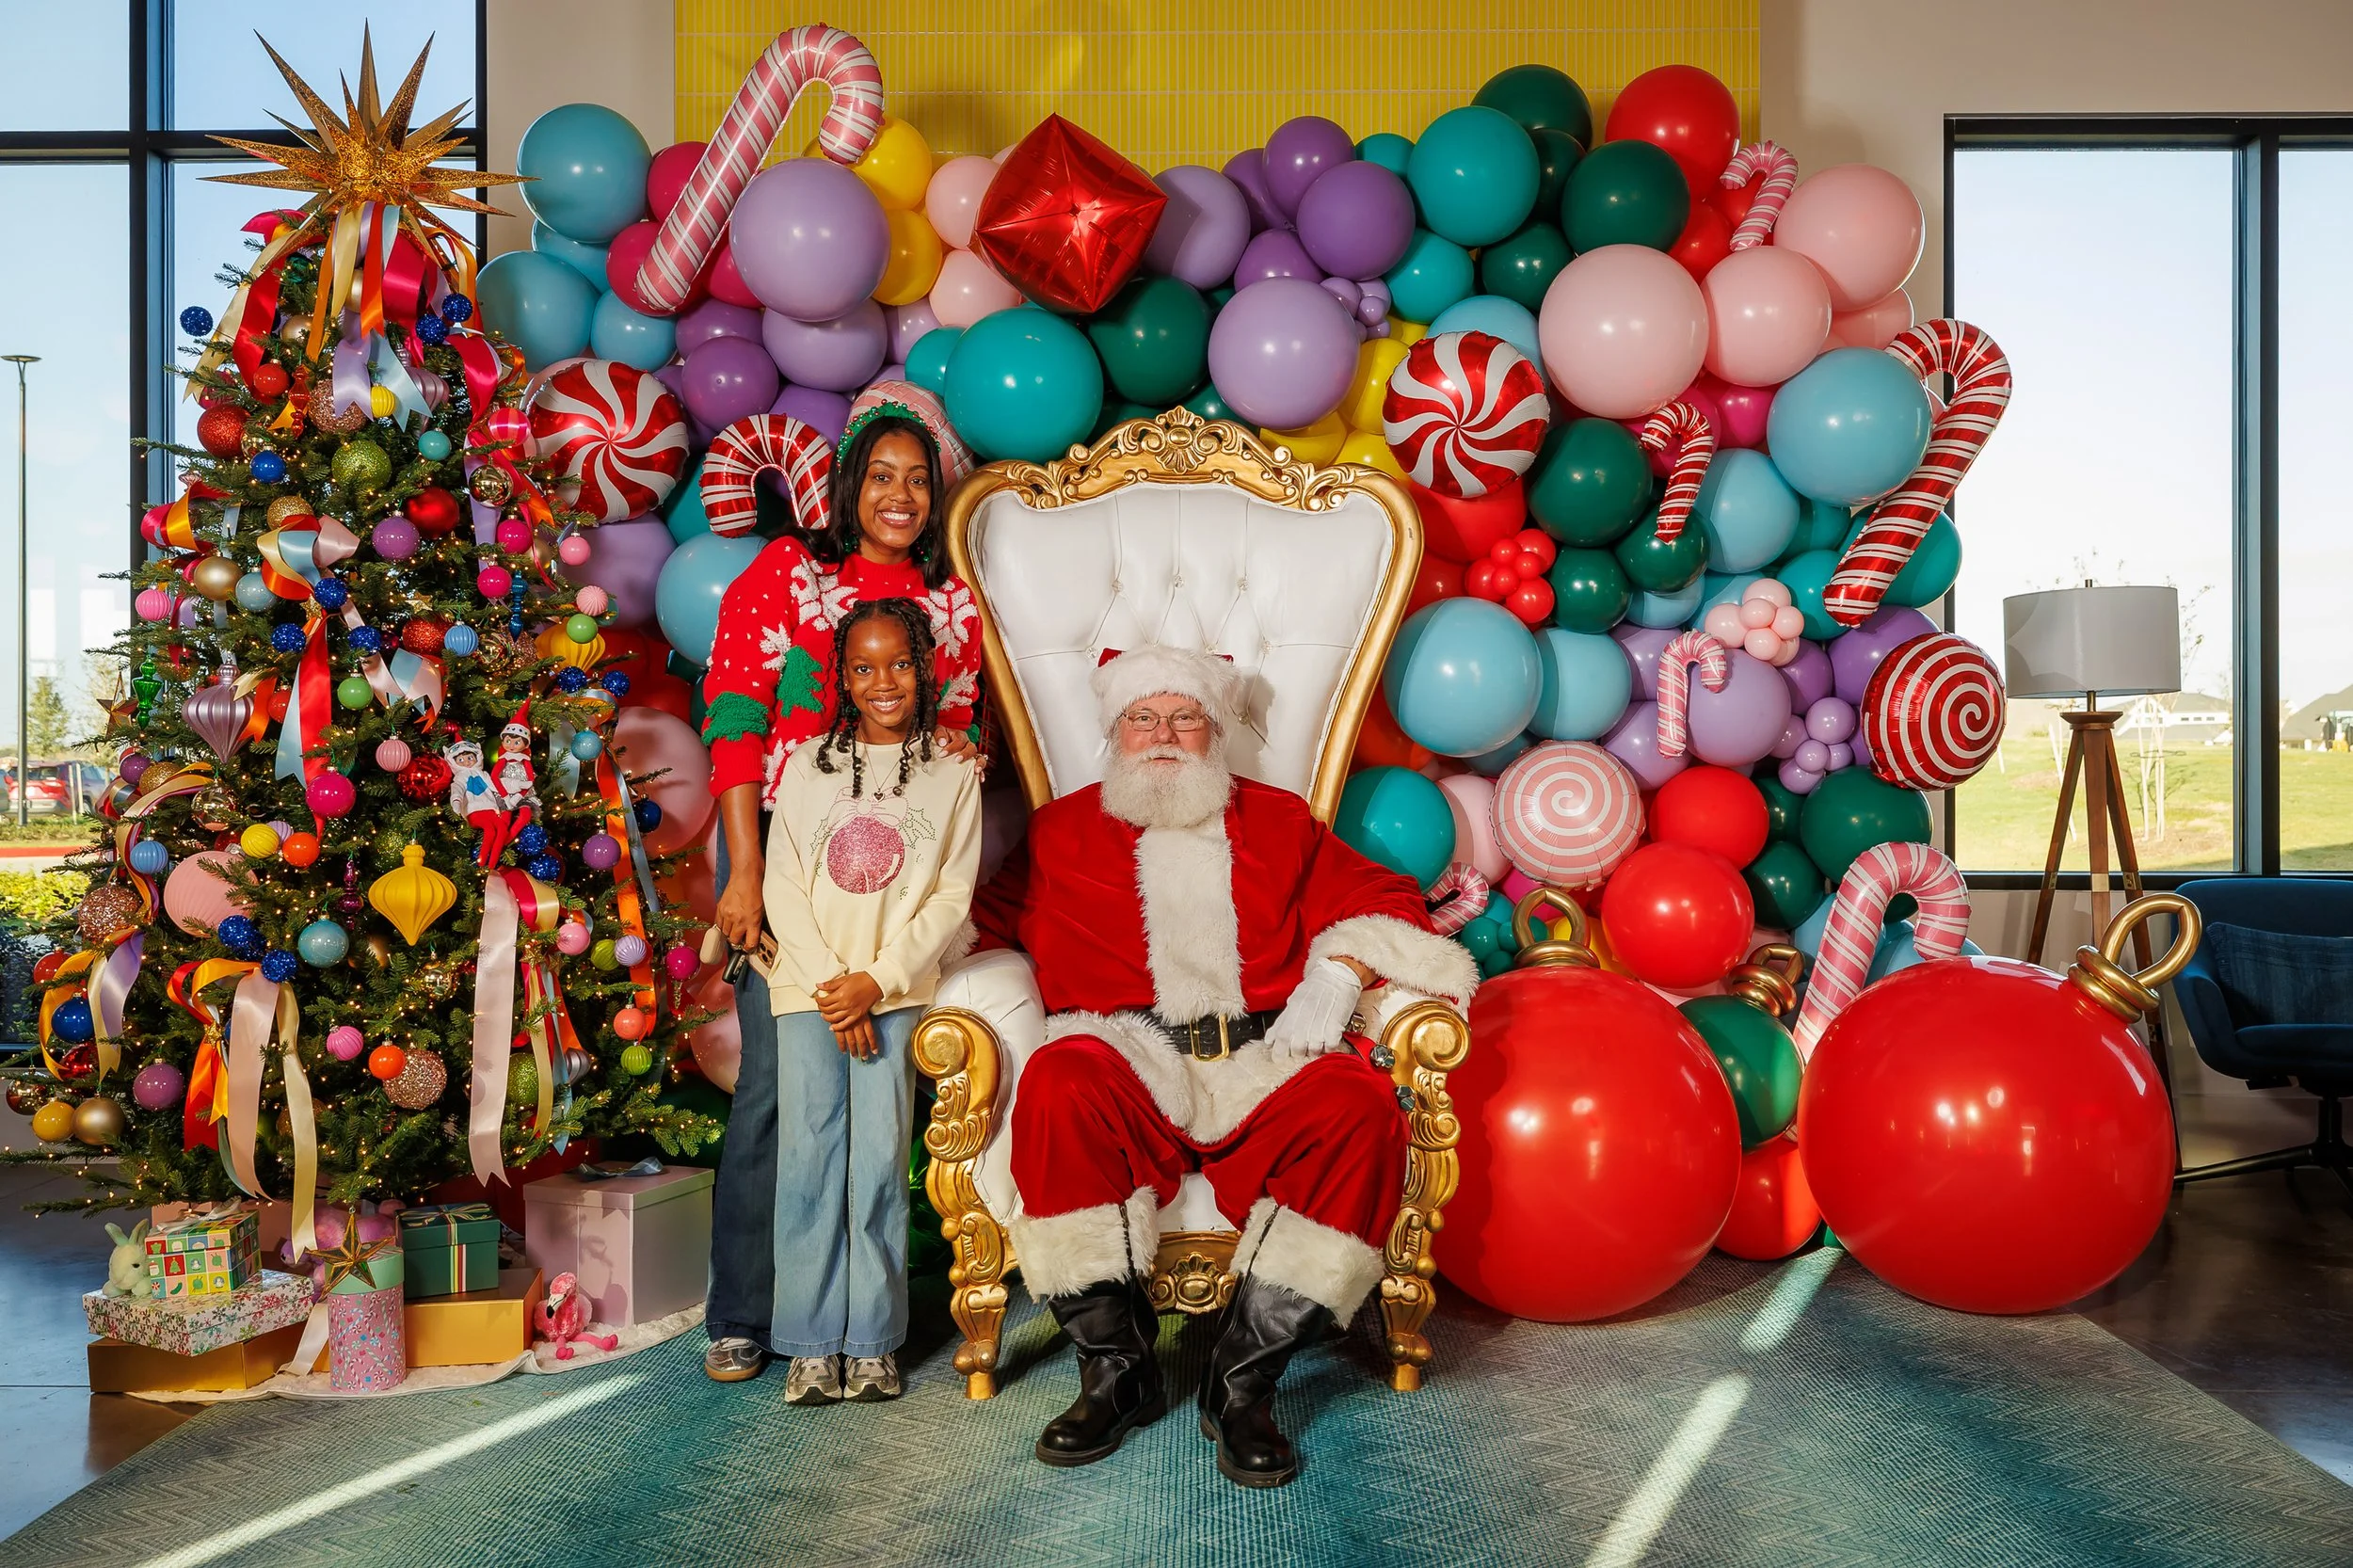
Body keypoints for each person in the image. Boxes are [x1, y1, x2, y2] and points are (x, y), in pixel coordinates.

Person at [967, 645, 1477, 1488]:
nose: (1163, 735)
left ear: (1214, 730)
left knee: (1358, 1104)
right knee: (1058, 1081)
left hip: (1260, 1058)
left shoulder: (1278, 821)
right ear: (1114, 731)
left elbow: (1389, 900)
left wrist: (1339, 971)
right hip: (1127, 1059)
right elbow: (978, 925)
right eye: (1143, 717)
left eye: (1184, 717)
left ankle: (1242, 1384)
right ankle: (1115, 1372)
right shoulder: (1060, 832)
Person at [696, 395, 983, 1384]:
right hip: (789, 858)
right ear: (848, 485)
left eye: (917, 478)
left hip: (901, 870)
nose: (899, 496)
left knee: (875, 1101)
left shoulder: (955, 602)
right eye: (881, 475)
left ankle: (862, 1322)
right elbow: (735, 718)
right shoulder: (789, 574)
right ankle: (743, 1309)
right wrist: (740, 868)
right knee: (780, 1089)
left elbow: (958, 741)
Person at [760, 598, 982, 1404]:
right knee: (810, 1160)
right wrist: (833, 988)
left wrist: (875, 984)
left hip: (891, 992)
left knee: (883, 1163)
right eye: (863, 668)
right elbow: (783, 882)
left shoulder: (955, 771)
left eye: (897, 665)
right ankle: (814, 1344)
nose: (881, 682)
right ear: (843, 679)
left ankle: (875, 1339)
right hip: (812, 992)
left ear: (922, 670)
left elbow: (950, 896)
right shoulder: (805, 765)